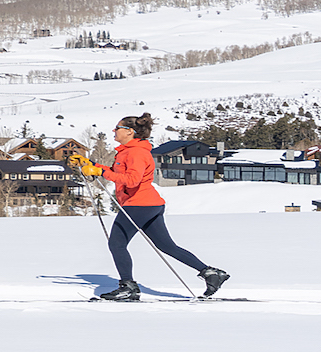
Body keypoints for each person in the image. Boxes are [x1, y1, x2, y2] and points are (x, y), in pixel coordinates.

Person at [69, 114, 230, 300]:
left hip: (139, 204)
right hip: (148, 204)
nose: (114, 131)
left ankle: (128, 287)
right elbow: (117, 173)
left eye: (117, 128)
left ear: (130, 132)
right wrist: (91, 165)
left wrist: (100, 172)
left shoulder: (136, 153)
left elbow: (132, 180)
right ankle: (211, 273)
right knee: (166, 246)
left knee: (117, 244)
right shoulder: (128, 151)